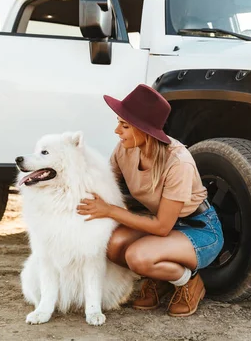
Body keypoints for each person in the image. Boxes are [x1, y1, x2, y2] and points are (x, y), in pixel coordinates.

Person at [76, 84, 224, 317]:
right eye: (118, 122)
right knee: (111, 244)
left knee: (138, 257)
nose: (117, 131)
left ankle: (189, 282)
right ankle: (162, 277)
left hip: (198, 230)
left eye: (124, 125)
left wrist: (110, 211)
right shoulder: (125, 149)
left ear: (144, 130)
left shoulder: (178, 162)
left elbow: (162, 227)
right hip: (162, 226)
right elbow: (102, 186)